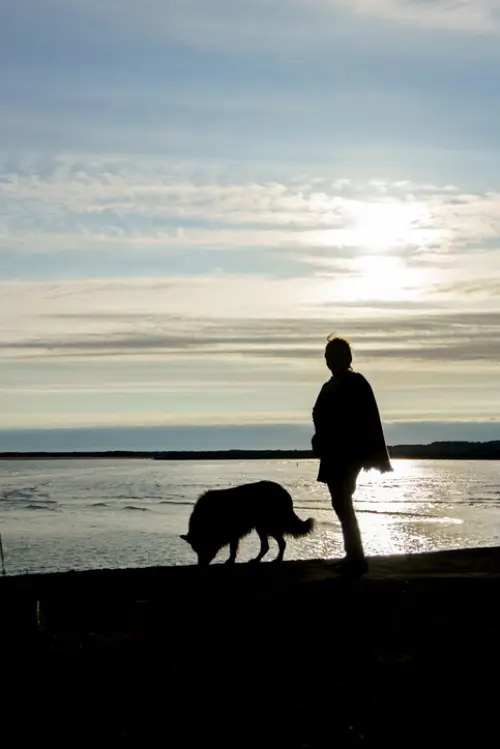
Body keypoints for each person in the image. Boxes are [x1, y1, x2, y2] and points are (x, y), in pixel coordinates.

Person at [312, 335, 392, 576]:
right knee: (341, 501)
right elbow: (319, 413)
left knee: (342, 500)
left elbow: (365, 419)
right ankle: (354, 556)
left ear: (346, 358)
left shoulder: (355, 382)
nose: (330, 362)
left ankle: (356, 558)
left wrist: (368, 454)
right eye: (327, 357)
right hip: (332, 451)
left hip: (349, 452)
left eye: (334, 357)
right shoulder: (328, 386)